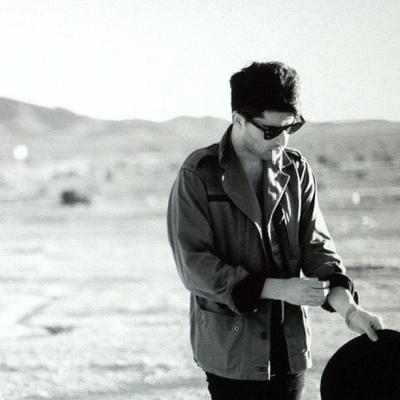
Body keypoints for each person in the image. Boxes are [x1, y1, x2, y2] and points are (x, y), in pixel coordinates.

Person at [167, 61, 383, 400]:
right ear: (239, 120)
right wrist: (277, 288)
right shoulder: (199, 174)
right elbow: (194, 266)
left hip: (289, 348)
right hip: (230, 351)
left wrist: (349, 310)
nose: (282, 139)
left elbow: (317, 247)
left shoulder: (297, 170)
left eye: (290, 127)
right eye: (270, 131)